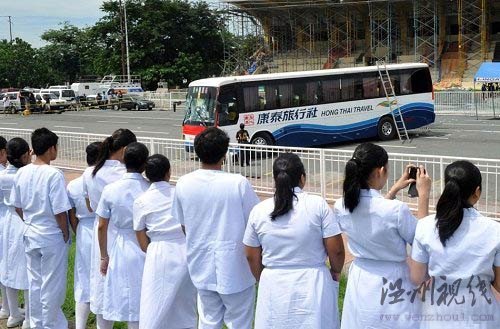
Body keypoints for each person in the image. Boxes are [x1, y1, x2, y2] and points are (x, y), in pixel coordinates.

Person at [333, 142, 431, 329]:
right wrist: (424, 195)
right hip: (393, 280)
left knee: (361, 322)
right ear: (379, 171)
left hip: (361, 277)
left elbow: (374, 214)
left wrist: (393, 190)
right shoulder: (395, 210)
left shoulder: (341, 205)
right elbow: (422, 238)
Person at [244, 153, 345, 329]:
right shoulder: (317, 205)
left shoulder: (259, 211)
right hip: (312, 283)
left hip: (274, 284)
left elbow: (251, 256)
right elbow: (336, 249)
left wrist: (263, 277)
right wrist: (336, 271)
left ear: (275, 179)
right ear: (302, 178)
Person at [172, 127, 260, 329]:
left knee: (208, 320)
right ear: (224, 153)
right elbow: (254, 223)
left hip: (201, 261)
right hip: (236, 264)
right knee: (240, 321)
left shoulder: (184, 183)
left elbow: (184, 224)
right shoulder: (238, 183)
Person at [410, 161, 500, 328]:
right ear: (477, 192)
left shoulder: (425, 226)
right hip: (481, 314)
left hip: (437, 315)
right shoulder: (495, 230)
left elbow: (417, 277)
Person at [10, 128, 72, 329]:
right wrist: (64, 232)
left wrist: (28, 221)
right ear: (51, 148)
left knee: (35, 282)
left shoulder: (22, 172)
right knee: (52, 284)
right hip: (50, 234)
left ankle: (37, 322)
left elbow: (17, 205)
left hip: (31, 232)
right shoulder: (53, 174)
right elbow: (60, 211)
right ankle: (52, 323)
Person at [133, 154, 197, 329]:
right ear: (169, 172)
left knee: (154, 300)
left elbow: (140, 234)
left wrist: (151, 250)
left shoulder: (141, 200)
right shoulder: (179, 194)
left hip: (158, 250)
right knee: (185, 301)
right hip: (183, 247)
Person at [83, 128, 136, 329]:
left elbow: (90, 206)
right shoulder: (126, 174)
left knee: (102, 288)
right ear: (124, 150)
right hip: (125, 233)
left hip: (101, 231)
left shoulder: (90, 172)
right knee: (131, 288)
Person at [97, 142, 150, 328]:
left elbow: (102, 226)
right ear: (145, 164)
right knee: (142, 299)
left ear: (124, 160)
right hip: (145, 246)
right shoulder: (149, 188)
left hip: (121, 245)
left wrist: (104, 256)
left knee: (119, 294)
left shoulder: (111, 189)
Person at [67, 142, 101, 329]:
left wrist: (77, 230)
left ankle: (80, 325)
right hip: (101, 228)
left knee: (83, 279)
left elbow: (72, 215)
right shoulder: (102, 180)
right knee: (101, 278)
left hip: (83, 230)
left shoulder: (73, 185)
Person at [0, 138, 31, 328]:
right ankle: (28, 316)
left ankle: (12, 313)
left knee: (8, 266)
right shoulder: (25, 175)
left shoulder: (3, 175)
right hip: (23, 219)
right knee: (28, 269)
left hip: (7, 220)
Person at [0, 135, 11, 321]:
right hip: (4, 219)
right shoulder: (4, 174)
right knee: (6, 265)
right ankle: (8, 308)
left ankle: (6, 307)